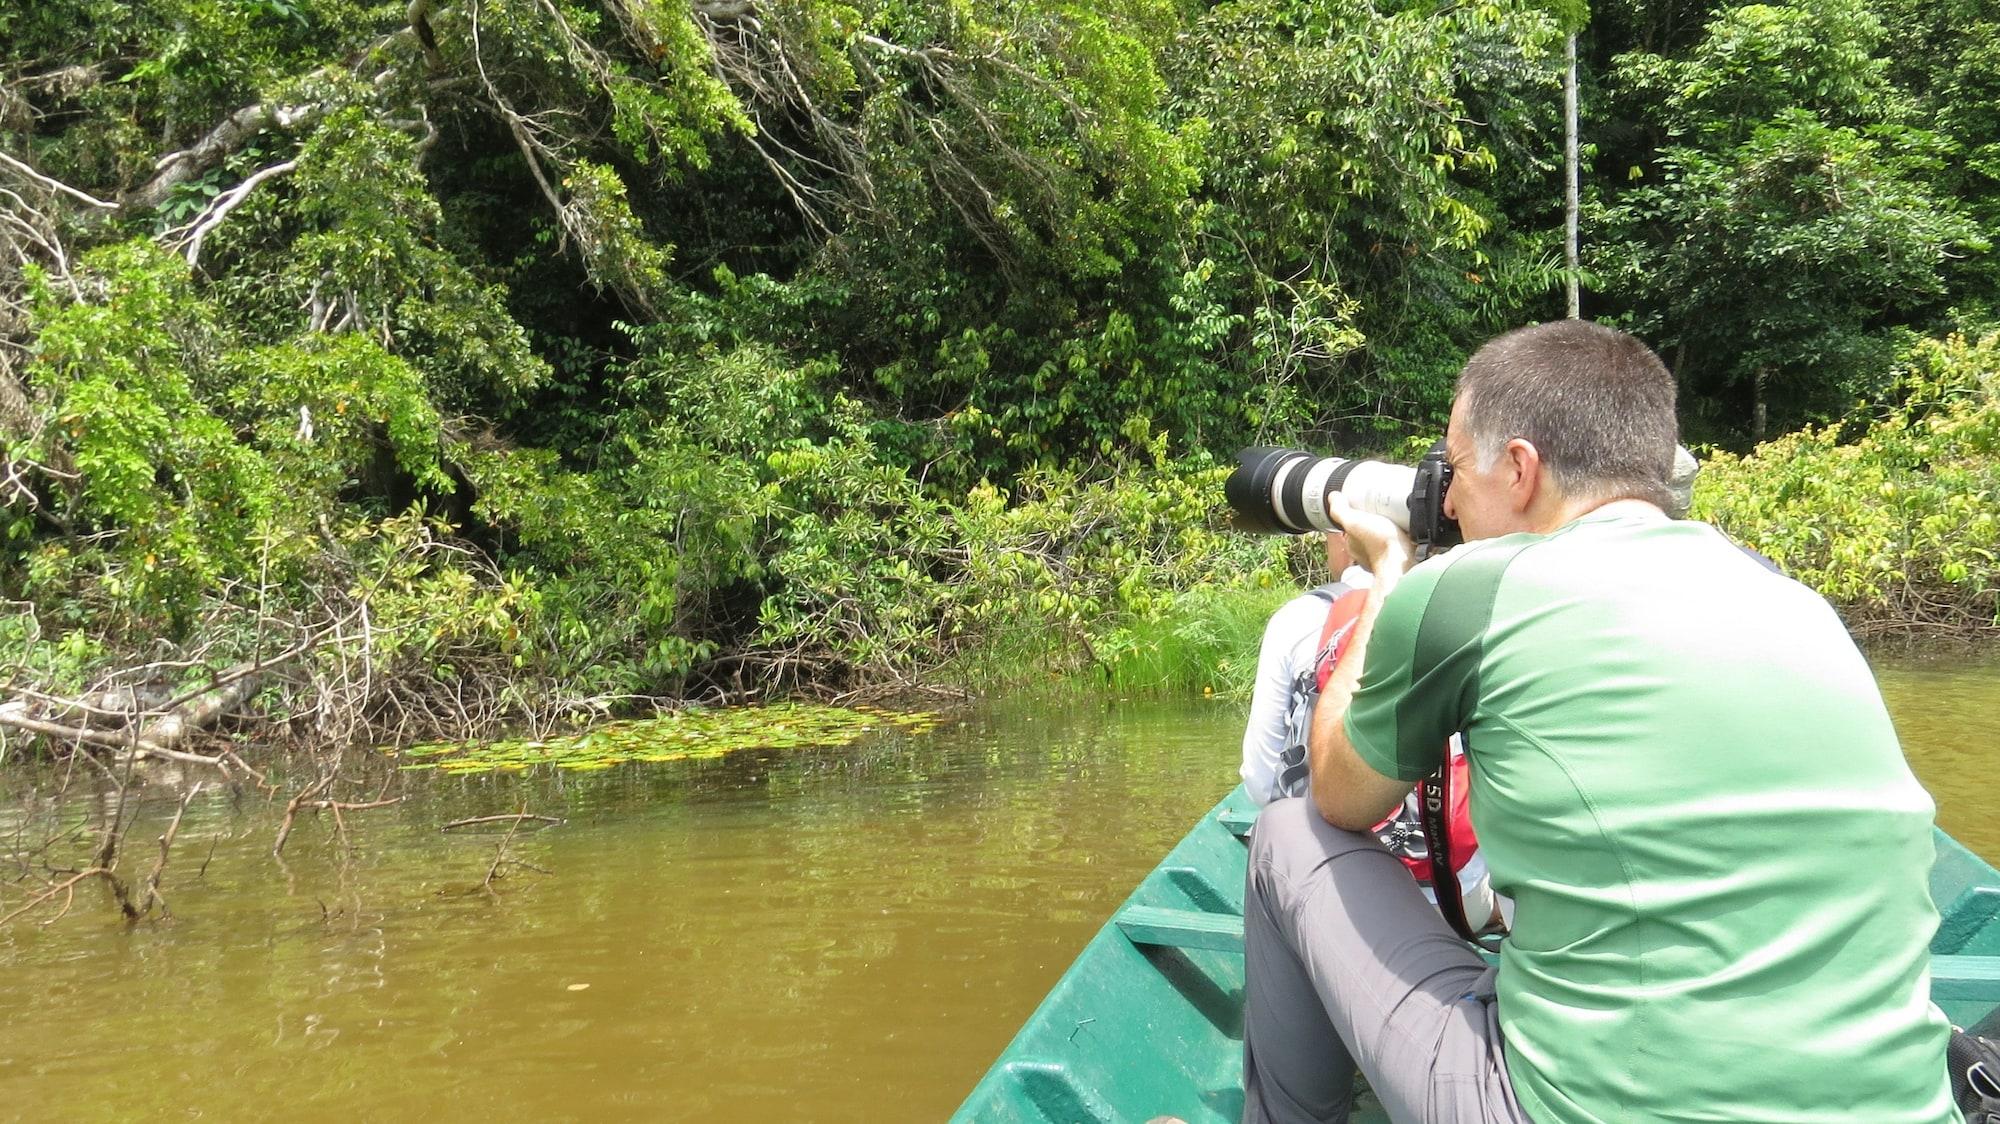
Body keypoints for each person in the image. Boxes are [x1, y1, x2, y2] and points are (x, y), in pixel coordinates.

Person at [1241, 320, 1954, 1124]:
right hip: (1909, 1107)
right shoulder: (1793, 598)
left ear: (1519, 469)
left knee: (1286, 833)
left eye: (1455, 471)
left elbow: (1339, 796)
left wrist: (1392, 573)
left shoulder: (1472, 588)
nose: (1443, 500)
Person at [1240, 533, 1498, 928]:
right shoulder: (1476, 607)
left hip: (1331, 889)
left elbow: (1262, 784)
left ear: (1347, 536)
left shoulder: (1298, 618)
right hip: (1455, 897)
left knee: (1277, 830)